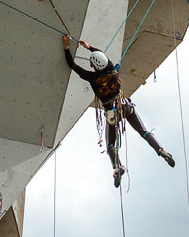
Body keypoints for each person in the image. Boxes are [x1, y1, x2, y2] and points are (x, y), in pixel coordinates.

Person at [61, 33, 174, 187]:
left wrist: (66, 47)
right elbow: (101, 55)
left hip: (112, 114)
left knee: (111, 146)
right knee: (144, 131)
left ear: (93, 65)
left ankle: (117, 166)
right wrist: (89, 48)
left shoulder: (91, 77)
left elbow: (72, 65)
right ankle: (160, 150)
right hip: (125, 106)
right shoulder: (111, 69)